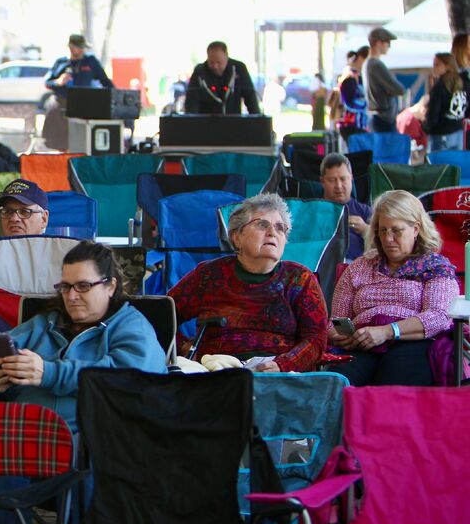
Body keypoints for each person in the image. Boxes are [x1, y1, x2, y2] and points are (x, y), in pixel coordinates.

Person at [0, 240, 164, 430]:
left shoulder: (131, 327)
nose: (72, 296)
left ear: (110, 286)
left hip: (95, 453)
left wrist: (48, 373)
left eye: (83, 286)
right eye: (65, 287)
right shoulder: (43, 325)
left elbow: (129, 380)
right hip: (17, 445)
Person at [168, 193, 328, 372]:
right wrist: (187, 350)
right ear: (236, 237)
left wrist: (282, 365)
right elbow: (160, 316)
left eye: (280, 228)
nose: (272, 233)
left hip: (275, 374)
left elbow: (316, 337)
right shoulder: (208, 275)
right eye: (262, 224)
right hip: (215, 371)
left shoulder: (299, 279)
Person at [328, 190, 457, 386]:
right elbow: (336, 320)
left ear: (415, 229)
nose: (388, 239)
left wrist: (387, 331)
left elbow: (439, 316)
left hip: (412, 344)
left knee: (391, 390)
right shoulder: (360, 267)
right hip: (362, 345)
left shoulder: (435, 266)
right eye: (382, 230)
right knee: (338, 386)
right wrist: (339, 336)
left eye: (396, 231)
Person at [42, 34, 114, 150]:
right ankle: (62, 151)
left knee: (82, 136)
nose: (81, 50)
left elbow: (105, 81)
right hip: (62, 103)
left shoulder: (90, 61)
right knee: (54, 112)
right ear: (70, 47)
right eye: (78, 47)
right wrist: (58, 81)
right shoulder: (60, 63)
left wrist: (116, 95)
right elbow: (47, 82)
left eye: (82, 48)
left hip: (83, 104)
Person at [184, 41, 261, 115]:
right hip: (206, 124)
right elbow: (191, 103)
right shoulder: (199, 72)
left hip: (233, 123)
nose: (215, 66)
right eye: (211, 62)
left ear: (226, 56)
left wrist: (258, 122)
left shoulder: (239, 69)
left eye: (219, 62)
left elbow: (251, 99)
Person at [320, 153, 372, 261]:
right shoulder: (313, 212)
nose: (339, 186)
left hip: (357, 268)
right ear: (322, 182)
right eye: (332, 180)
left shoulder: (364, 212)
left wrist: (365, 230)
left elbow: (385, 246)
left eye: (343, 179)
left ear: (351, 179)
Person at [423, 52, 466, 152]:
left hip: (441, 133)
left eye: (437, 65)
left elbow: (433, 115)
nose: (434, 68)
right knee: (455, 166)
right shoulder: (461, 84)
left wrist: (425, 126)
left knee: (439, 167)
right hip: (458, 132)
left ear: (448, 67)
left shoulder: (440, 87)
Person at [363, 27, 404, 133]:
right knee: (387, 149)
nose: (389, 46)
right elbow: (399, 89)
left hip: (377, 117)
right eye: (387, 42)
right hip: (383, 119)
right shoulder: (376, 65)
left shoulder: (367, 64)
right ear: (378, 43)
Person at [336, 46, 369, 137]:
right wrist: (367, 105)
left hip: (359, 125)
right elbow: (349, 102)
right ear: (362, 59)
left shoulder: (358, 76)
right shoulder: (350, 77)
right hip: (352, 125)